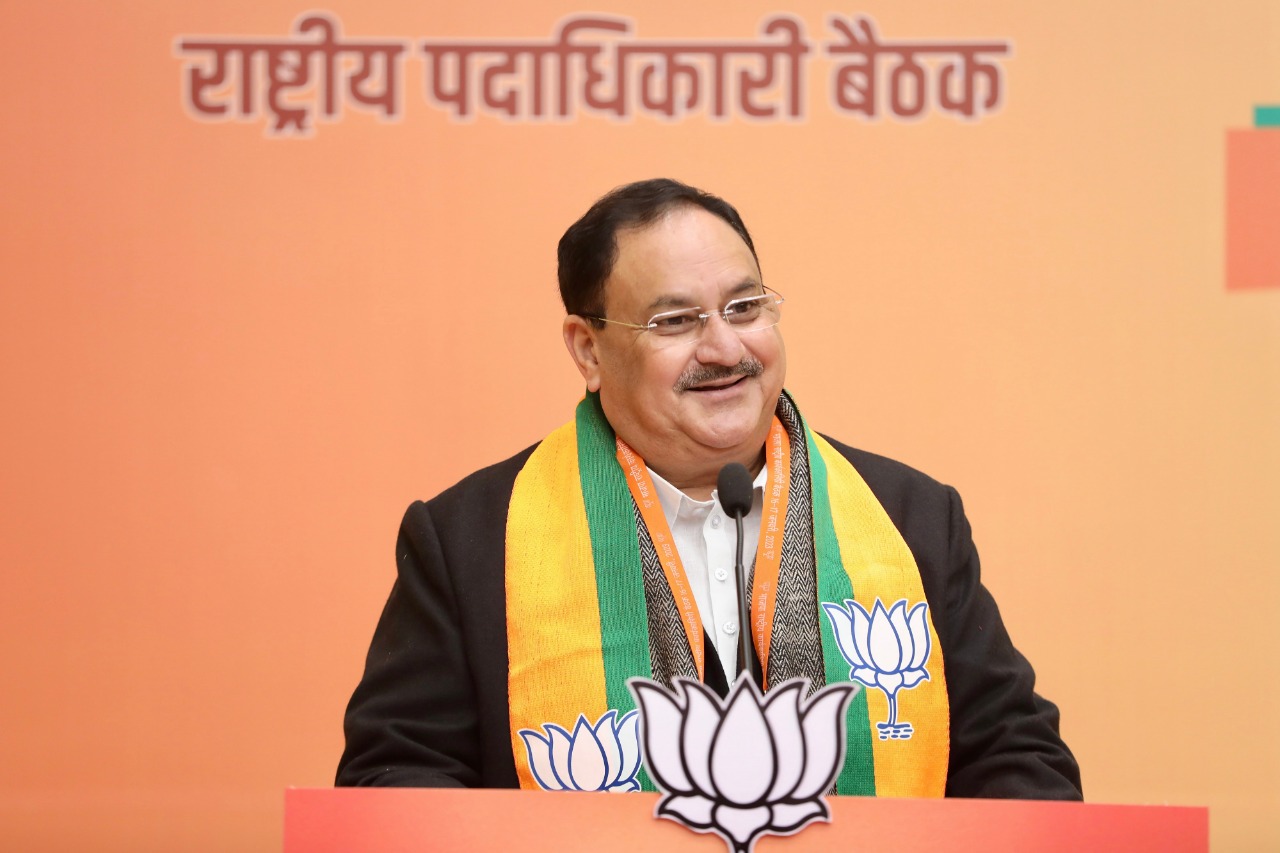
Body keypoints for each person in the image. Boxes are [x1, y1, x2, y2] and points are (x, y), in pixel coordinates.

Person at [336, 178, 1082, 799]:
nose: (725, 348)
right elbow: (394, 777)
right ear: (588, 348)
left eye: (745, 307)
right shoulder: (470, 539)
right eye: (677, 320)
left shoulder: (912, 517)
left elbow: (1022, 763)